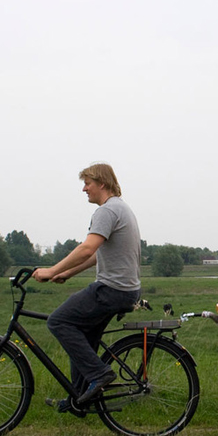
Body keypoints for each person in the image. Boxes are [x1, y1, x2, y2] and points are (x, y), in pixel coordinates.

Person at [33, 163, 141, 413]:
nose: (84, 189)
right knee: (83, 337)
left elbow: (87, 248)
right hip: (125, 290)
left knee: (59, 321)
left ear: (101, 183)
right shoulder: (121, 208)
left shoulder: (107, 211)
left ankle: (100, 375)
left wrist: (50, 270)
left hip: (111, 290)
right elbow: (97, 255)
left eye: (87, 183)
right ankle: (79, 399)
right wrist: (66, 273)